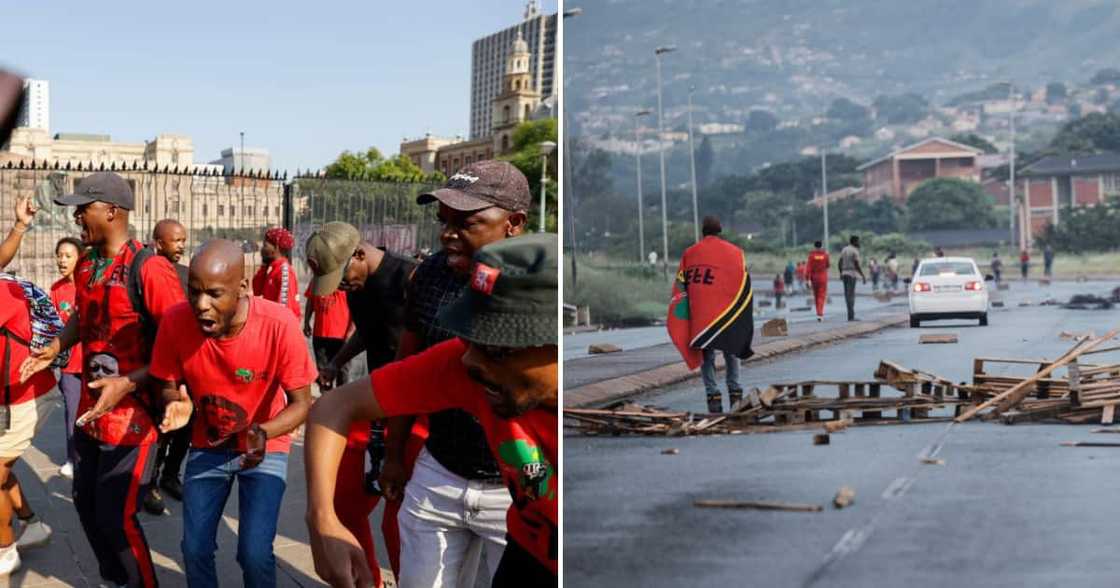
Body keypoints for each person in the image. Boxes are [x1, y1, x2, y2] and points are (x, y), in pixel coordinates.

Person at [305, 233, 559, 588]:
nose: (471, 360)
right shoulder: (466, 367)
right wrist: (322, 521)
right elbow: (333, 405)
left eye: (498, 348)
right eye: (470, 338)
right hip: (527, 547)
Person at [20, 172, 186, 588]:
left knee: (117, 516)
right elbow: (82, 316)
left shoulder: (149, 269)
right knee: (85, 504)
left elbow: (179, 344)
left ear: (111, 212)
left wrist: (129, 383)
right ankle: (114, 578)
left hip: (134, 418)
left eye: (84, 208)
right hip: (91, 413)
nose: (76, 216)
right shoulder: (89, 263)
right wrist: (56, 347)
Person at [383, 160, 529, 588]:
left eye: (467, 223)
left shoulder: (536, 292)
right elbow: (404, 373)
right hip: (441, 472)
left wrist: (540, 494)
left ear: (514, 224)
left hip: (518, 483)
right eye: (443, 221)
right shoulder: (429, 276)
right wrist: (393, 457)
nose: (448, 234)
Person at [151, 239, 316, 588]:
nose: (201, 305)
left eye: (213, 294)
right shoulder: (176, 321)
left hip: (264, 447)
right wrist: (173, 401)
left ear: (243, 286)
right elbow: (166, 381)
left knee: (254, 554)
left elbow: (302, 403)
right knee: (194, 548)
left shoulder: (278, 324)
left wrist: (265, 432)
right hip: (208, 445)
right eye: (193, 291)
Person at [304, 222, 418, 585]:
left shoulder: (408, 279)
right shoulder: (355, 286)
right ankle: (367, 580)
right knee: (345, 504)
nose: (339, 286)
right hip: (376, 407)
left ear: (359, 253)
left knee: (396, 520)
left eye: (341, 275)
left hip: (416, 413)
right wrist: (336, 362)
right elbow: (369, 333)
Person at [670, 216, 751, 413]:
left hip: (701, 317)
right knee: (731, 351)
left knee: (707, 356)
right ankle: (735, 394)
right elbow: (744, 283)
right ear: (720, 230)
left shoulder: (689, 254)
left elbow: (681, 287)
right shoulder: (736, 253)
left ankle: (712, 396)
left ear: (703, 231)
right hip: (727, 314)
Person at [146, 219, 193, 512]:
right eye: (176, 240)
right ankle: (149, 482)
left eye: (183, 239)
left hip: (188, 364)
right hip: (158, 364)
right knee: (160, 426)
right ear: (158, 242)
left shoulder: (188, 275)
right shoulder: (147, 272)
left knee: (187, 425)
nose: (181, 245)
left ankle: (171, 475)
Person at [49, 237, 84, 479]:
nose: (62, 260)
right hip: (70, 365)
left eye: (67, 256)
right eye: (59, 255)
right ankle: (73, 459)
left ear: (79, 258)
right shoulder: (56, 289)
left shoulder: (91, 286)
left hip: (94, 363)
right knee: (72, 413)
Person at [302, 274, 353, 390]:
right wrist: (306, 322)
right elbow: (310, 301)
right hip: (320, 334)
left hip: (342, 336)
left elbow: (356, 308)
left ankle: (342, 401)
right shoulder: (317, 280)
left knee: (342, 372)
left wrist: (350, 331)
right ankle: (326, 400)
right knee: (322, 372)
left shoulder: (346, 280)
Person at [252, 227, 301, 319]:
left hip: (282, 326)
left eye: (265, 245)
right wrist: (264, 265)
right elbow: (257, 290)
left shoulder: (284, 272)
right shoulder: (271, 268)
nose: (262, 249)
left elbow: (284, 307)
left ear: (276, 247)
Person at [838, 235, 866, 322]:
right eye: (858, 241)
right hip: (851, 274)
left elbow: (839, 262)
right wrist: (863, 275)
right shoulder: (854, 251)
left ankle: (850, 315)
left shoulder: (844, 249)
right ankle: (851, 316)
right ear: (854, 242)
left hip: (844, 273)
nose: (859, 243)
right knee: (851, 296)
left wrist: (841, 272)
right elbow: (856, 264)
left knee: (847, 295)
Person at [807, 241, 830, 321]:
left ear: (814, 246)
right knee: (821, 296)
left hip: (814, 278)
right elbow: (828, 265)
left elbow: (808, 268)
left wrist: (807, 279)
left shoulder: (811, 256)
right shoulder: (825, 255)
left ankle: (818, 313)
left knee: (816, 296)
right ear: (821, 246)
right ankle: (820, 314)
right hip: (823, 278)